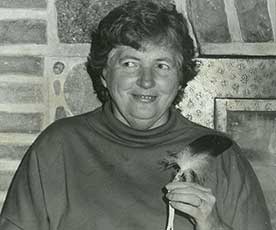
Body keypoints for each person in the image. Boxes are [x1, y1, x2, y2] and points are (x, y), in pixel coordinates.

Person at [0, 1, 272, 230]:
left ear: (180, 79)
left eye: (162, 65)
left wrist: (212, 225)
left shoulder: (222, 155)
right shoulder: (57, 147)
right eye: (130, 63)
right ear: (105, 74)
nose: (146, 81)